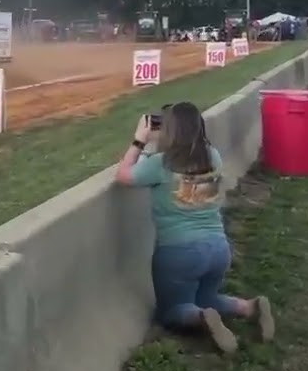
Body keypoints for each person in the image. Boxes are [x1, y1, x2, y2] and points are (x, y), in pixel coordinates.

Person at [115, 102, 275, 353]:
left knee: (172, 310)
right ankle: (248, 307)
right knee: (207, 297)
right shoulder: (213, 155)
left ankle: (201, 318)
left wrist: (139, 141)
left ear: (169, 131)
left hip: (179, 252)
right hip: (218, 248)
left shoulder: (160, 164)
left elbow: (124, 175)